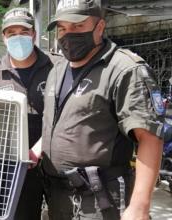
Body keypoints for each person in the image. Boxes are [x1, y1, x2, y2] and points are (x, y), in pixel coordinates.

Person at [30, 0, 164, 219]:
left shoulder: (124, 70)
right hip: (57, 197)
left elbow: (150, 137)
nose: (68, 35)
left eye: (77, 26)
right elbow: (55, 123)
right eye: (62, 28)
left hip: (101, 201)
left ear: (100, 27)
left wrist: (140, 206)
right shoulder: (58, 69)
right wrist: (37, 151)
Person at [0, 7, 60, 220]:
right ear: (3, 37)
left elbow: (69, 116)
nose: (18, 37)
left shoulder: (58, 67)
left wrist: (40, 147)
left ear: (33, 33)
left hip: (57, 159)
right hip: (17, 167)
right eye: (11, 33)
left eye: (24, 32)